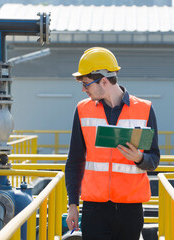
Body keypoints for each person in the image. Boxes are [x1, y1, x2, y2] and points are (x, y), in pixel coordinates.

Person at [65, 47, 160, 240]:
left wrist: (140, 158)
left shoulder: (145, 110)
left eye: (86, 84)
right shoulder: (82, 110)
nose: (84, 89)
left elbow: (154, 159)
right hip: (94, 209)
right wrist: (73, 205)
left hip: (130, 210)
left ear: (104, 81)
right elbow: (74, 161)